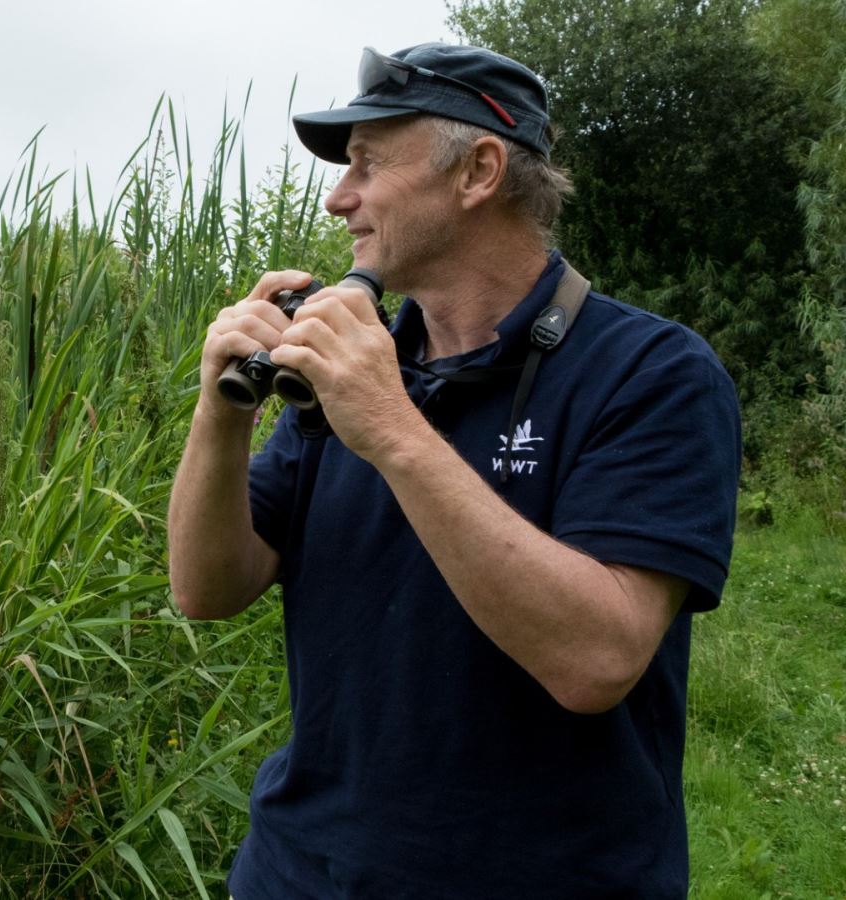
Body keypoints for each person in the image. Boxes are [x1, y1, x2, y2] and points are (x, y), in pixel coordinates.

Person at [167, 43, 740, 898]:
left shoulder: (651, 372)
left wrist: (394, 428)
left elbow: (597, 659)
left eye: (367, 163)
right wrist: (222, 415)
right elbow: (206, 589)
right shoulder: (351, 362)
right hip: (299, 871)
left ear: (477, 171)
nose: (338, 197)